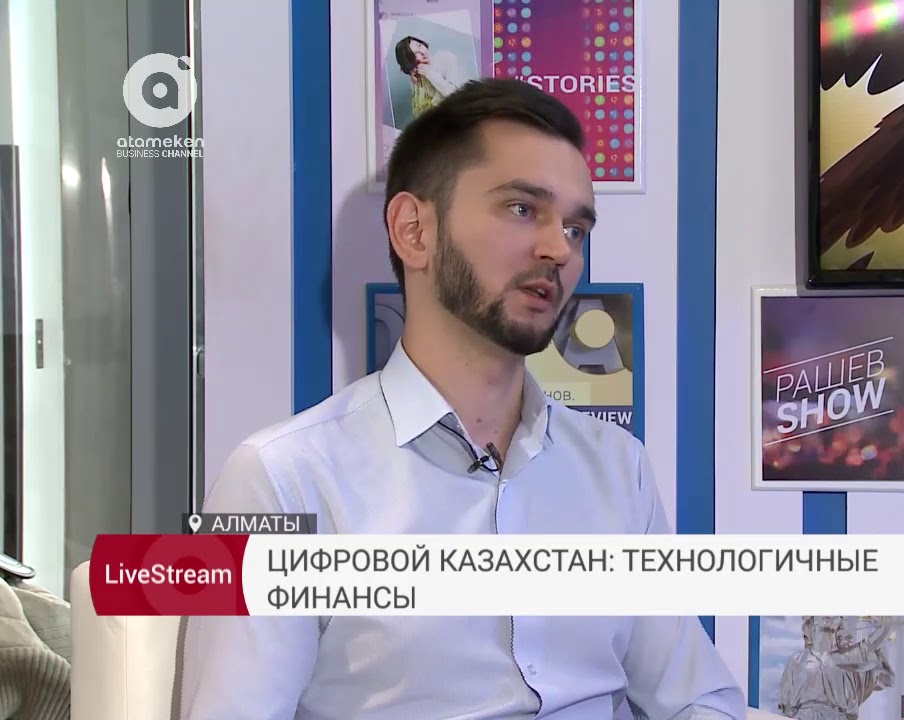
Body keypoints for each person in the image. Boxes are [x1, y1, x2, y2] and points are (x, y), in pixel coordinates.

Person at [178, 78, 744, 720]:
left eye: (576, 228)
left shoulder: (618, 467)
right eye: (522, 209)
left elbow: (699, 698)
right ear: (414, 231)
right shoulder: (280, 480)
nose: (559, 249)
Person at [394, 34, 463, 119]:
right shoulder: (418, 76)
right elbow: (420, 113)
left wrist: (429, 74)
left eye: (419, 45)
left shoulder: (445, 58)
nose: (422, 52)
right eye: (415, 54)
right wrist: (416, 85)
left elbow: (455, 94)